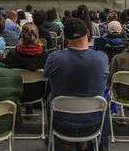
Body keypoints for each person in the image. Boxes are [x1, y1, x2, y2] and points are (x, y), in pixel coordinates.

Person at [45, 18, 109, 151]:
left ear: (64, 37)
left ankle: (51, 138)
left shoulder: (54, 58)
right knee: (104, 101)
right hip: (93, 123)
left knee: (50, 96)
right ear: (87, 33)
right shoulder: (102, 58)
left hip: (62, 124)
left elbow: (46, 75)